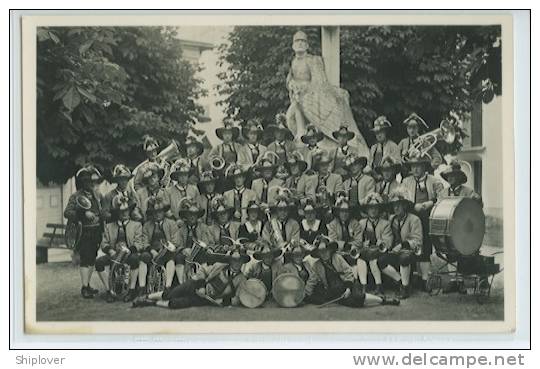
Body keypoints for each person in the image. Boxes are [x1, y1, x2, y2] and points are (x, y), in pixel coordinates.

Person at [284, 31, 369, 157]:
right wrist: (291, 84)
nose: (300, 43)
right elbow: (289, 79)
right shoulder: (293, 62)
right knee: (289, 118)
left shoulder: (313, 60)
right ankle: (302, 138)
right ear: (293, 45)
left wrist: (302, 87)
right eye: (297, 41)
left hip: (310, 97)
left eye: (303, 41)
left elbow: (319, 81)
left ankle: (323, 139)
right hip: (298, 98)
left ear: (307, 45)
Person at [132, 249, 250, 309]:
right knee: (174, 292)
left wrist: (219, 302)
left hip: (209, 299)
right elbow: (203, 270)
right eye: (234, 260)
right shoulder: (220, 266)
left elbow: (237, 299)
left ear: (243, 262)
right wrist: (201, 285)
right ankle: (146, 297)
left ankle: (151, 304)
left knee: (176, 304)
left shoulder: (242, 280)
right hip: (196, 284)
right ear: (230, 260)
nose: (236, 263)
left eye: (239, 261)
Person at [304, 236, 399, 307]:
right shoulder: (317, 265)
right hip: (334, 290)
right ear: (318, 254)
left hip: (348, 284)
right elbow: (313, 279)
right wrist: (305, 293)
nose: (324, 254)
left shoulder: (337, 258)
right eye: (321, 252)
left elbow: (349, 272)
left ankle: (382, 300)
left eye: (326, 250)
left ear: (330, 250)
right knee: (351, 303)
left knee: (358, 297)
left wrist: (348, 288)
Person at [401, 153, 444, 291]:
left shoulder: (434, 181)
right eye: (413, 166)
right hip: (412, 217)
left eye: (418, 166)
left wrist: (430, 203)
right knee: (412, 245)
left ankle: (425, 280)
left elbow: (442, 197)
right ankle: (413, 278)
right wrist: (413, 206)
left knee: (425, 247)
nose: (416, 169)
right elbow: (402, 198)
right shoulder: (406, 182)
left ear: (424, 167)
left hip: (428, 217)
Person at [63, 165, 105, 298]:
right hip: (84, 233)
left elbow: (101, 211)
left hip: (96, 232)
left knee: (92, 258)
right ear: (81, 183)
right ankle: (84, 287)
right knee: (85, 260)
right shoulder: (75, 197)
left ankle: (88, 285)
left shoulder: (97, 195)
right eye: (87, 181)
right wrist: (83, 213)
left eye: (91, 181)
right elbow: (67, 213)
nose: (90, 184)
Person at [95, 194, 144, 302]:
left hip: (129, 254)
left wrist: (130, 250)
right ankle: (109, 291)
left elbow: (139, 243)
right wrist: (110, 250)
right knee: (99, 262)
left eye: (126, 210)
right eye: (121, 211)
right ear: (117, 213)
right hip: (114, 254)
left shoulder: (136, 225)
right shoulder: (109, 226)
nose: (124, 213)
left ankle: (131, 291)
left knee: (135, 260)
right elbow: (104, 242)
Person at [381, 188, 423, 299]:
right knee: (381, 261)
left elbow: (418, 241)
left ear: (405, 205)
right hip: (395, 251)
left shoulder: (414, 219)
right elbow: (389, 235)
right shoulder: (392, 219)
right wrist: (386, 245)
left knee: (404, 258)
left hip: (410, 252)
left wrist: (403, 245)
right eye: (394, 205)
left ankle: (405, 288)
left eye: (399, 205)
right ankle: (401, 281)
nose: (396, 208)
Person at [356, 193, 398, 296]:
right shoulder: (362, 223)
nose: (373, 210)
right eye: (370, 208)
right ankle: (363, 286)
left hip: (380, 252)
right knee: (360, 258)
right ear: (367, 210)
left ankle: (379, 286)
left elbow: (388, 241)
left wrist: (380, 243)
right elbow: (357, 240)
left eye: (375, 208)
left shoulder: (385, 223)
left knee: (373, 258)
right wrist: (362, 244)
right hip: (365, 251)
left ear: (379, 209)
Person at [139, 196, 180, 298]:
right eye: (155, 212)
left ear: (163, 212)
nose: (157, 214)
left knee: (171, 258)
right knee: (143, 257)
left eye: (160, 211)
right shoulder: (147, 225)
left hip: (167, 251)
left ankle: (168, 287)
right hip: (152, 251)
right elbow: (144, 241)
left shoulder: (171, 223)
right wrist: (152, 251)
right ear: (152, 214)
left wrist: (166, 250)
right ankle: (142, 288)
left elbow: (175, 241)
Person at [176, 198, 210, 282]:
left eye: (194, 214)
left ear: (197, 216)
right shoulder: (181, 229)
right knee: (178, 257)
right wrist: (183, 249)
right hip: (186, 254)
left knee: (203, 257)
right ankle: (182, 283)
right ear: (185, 216)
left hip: (199, 253)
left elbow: (206, 243)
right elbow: (177, 244)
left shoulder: (203, 228)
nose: (192, 217)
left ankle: (201, 281)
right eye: (189, 214)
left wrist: (197, 249)